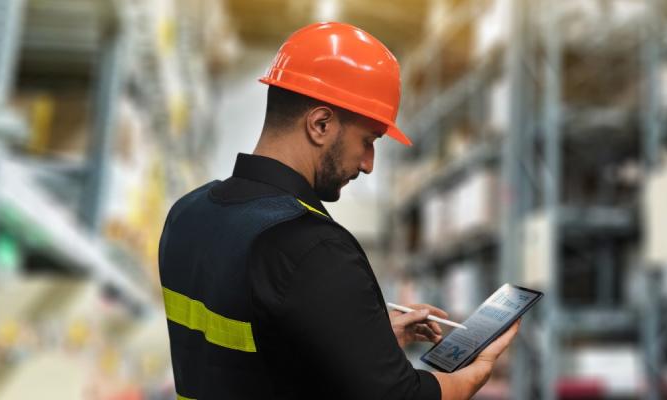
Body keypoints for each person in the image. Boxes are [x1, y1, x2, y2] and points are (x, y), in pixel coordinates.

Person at [157, 22, 517, 399]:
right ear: (321, 124)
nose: (368, 164)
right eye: (368, 141)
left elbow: (251, 355)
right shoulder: (312, 247)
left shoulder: (185, 214)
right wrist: (479, 370)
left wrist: (359, 346)